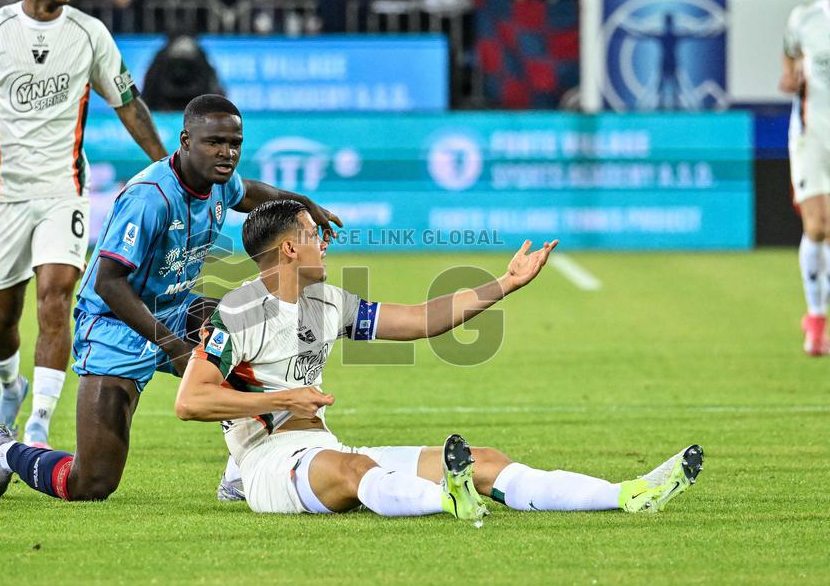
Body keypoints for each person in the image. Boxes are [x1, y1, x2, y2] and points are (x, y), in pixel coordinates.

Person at [169, 200, 704, 519]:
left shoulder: (328, 300)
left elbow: (420, 319)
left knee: (483, 457)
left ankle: (629, 493)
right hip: (268, 465)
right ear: (288, 250)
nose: (325, 243)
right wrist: (287, 397)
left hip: (320, 447)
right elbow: (189, 400)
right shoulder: (238, 311)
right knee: (355, 471)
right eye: (313, 235)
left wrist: (505, 284)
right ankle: (450, 499)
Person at [0, 96, 343, 502]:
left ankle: (241, 468)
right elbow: (110, 284)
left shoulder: (219, 182)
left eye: (235, 143)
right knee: (93, 482)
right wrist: (173, 346)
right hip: (115, 326)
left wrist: (304, 205)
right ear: (185, 141)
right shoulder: (149, 198)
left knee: (249, 329)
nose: (227, 153)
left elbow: (252, 192)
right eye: (215, 142)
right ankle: (6, 450)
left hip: (176, 309)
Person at [0, 0, 169, 450]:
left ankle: (38, 427)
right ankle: (12, 387)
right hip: (4, 195)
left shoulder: (90, 34)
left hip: (64, 190)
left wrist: (165, 165)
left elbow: (128, 103)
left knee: (57, 297)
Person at [782, 0, 830, 355]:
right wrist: (788, 76)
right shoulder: (805, 18)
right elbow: (790, 57)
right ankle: (815, 319)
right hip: (810, 134)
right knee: (817, 226)